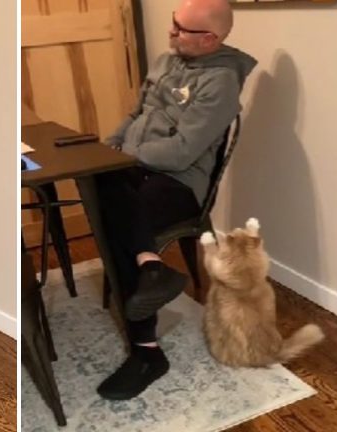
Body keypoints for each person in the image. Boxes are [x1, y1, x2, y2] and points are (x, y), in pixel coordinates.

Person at [94, 0, 256, 400]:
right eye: (173, 23)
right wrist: (107, 149)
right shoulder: (167, 61)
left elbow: (183, 152)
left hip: (178, 185)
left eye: (181, 29)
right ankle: (151, 266)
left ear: (211, 39)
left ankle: (147, 354)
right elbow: (136, 114)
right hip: (136, 167)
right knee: (99, 185)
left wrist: (124, 157)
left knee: (120, 220)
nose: (171, 33)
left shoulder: (220, 83)